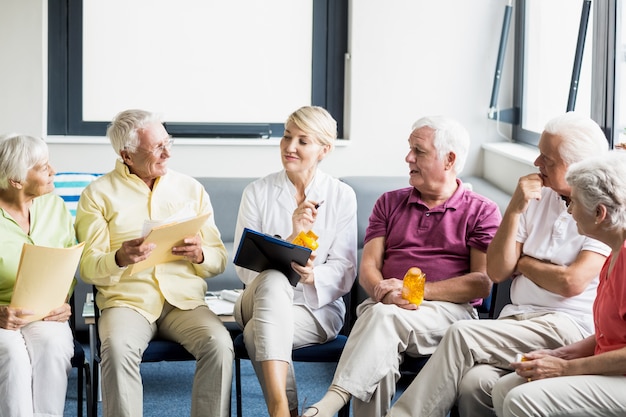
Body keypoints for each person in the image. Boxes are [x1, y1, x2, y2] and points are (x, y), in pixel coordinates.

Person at [383, 112, 611, 417]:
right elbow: (500, 270)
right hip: (515, 320)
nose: (536, 163)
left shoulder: (601, 210)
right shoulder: (534, 197)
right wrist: (516, 207)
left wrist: (524, 262)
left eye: (547, 159)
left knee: (462, 334)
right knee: (475, 384)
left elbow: (571, 282)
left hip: (566, 325)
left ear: (575, 167)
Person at [302, 115, 502, 417]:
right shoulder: (389, 203)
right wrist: (386, 293)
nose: (408, 158)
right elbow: (368, 266)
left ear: (449, 159)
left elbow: (480, 282)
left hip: (448, 312)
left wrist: (414, 292)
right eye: (410, 149)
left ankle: (334, 398)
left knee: (382, 321)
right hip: (385, 304)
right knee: (381, 345)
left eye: (418, 151)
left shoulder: (481, 210)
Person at [75, 109, 233, 417]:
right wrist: (120, 258)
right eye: (157, 147)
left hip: (184, 303)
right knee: (117, 350)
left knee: (219, 344)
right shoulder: (97, 195)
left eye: (168, 141)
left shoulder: (191, 189)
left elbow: (218, 260)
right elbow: (87, 267)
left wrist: (200, 254)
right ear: (127, 154)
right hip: (127, 302)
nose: (168, 152)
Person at [232, 105, 358, 417]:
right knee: (274, 281)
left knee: (255, 335)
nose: (290, 147)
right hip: (254, 299)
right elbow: (244, 269)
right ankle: (281, 410)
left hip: (315, 311)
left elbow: (345, 269)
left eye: (303, 141)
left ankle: (282, 411)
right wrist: (291, 238)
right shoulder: (257, 192)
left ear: (324, 150)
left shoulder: (342, 196)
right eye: (287, 137)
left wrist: (313, 275)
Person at [490, 150, 626, 417]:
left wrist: (565, 369)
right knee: (505, 387)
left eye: (573, 203)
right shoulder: (613, 254)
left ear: (599, 213)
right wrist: (561, 355)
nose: (569, 209)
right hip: (609, 368)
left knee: (522, 400)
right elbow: (609, 337)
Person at [0, 134, 76, 416]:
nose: (53, 171)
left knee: (53, 345)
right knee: (13, 356)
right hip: (2, 315)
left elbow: (68, 260)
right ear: (16, 180)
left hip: (46, 310)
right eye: (43, 167)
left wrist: (64, 300)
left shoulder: (54, 206)